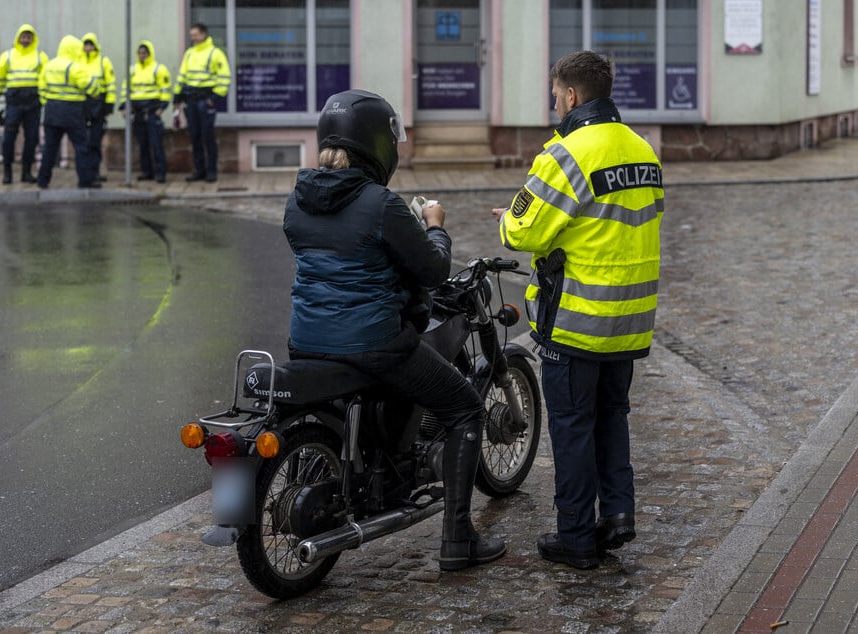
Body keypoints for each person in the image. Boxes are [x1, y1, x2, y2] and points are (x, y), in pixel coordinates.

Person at [284, 89, 506, 572]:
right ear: (378, 145)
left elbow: (338, 261)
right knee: (465, 407)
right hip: (373, 343)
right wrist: (434, 225)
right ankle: (458, 539)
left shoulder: (298, 199)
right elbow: (432, 270)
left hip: (307, 339)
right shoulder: (381, 203)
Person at [492, 51, 664, 570]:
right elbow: (625, 221)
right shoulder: (643, 151)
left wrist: (509, 218)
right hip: (629, 321)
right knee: (613, 418)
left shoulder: (565, 155)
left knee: (571, 426)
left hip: (575, 320)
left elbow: (524, 231)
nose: (554, 102)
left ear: (570, 95)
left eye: (555, 94)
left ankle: (576, 538)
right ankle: (617, 519)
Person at [36, 35, 101, 189]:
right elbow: (92, 88)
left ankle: (43, 180)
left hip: (52, 111)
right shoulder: (75, 67)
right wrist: (96, 91)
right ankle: (85, 181)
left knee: (50, 148)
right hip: (72, 112)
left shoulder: (49, 66)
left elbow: (41, 88)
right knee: (81, 147)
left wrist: (48, 102)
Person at [0, 24, 49, 185]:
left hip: (33, 103)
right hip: (14, 103)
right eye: (23, 36)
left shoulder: (40, 56)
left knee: (32, 138)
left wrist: (45, 100)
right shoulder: (7, 56)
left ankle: (26, 172)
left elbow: (46, 80)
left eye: (28, 36)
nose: (26, 39)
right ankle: (7, 173)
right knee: (8, 138)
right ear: (18, 38)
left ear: (32, 38)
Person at [171, 23, 230, 183]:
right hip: (191, 100)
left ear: (204, 34)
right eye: (191, 35)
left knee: (208, 137)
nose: (193, 38)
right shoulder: (189, 53)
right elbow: (182, 76)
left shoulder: (215, 53)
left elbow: (225, 78)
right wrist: (177, 97)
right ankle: (199, 170)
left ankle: (211, 171)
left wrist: (213, 99)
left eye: (195, 35)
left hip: (205, 100)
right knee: (195, 136)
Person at [119, 41, 172, 183]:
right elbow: (126, 90)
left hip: (152, 111)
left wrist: (162, 107)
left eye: (144, 53)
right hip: (138, 112)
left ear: (150, 54)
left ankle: (160, 173)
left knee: (156, 144)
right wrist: (124, 107)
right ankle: (146, 171)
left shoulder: (158, 69)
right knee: (142, 144)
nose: (142, 55)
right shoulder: (133, 70)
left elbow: (165, 90)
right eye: (140, 53)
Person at [82, 33, 116, 183]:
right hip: (83, 106)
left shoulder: (103, 62)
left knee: (95, 141)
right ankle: (85, 173)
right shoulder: (78, 62)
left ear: (95, 46)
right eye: (86, 44)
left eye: (90, 45)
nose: (88, 48)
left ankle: (95, 172)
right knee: (83, 142)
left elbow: (111, 84)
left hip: (99, 106)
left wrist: (109, 104)